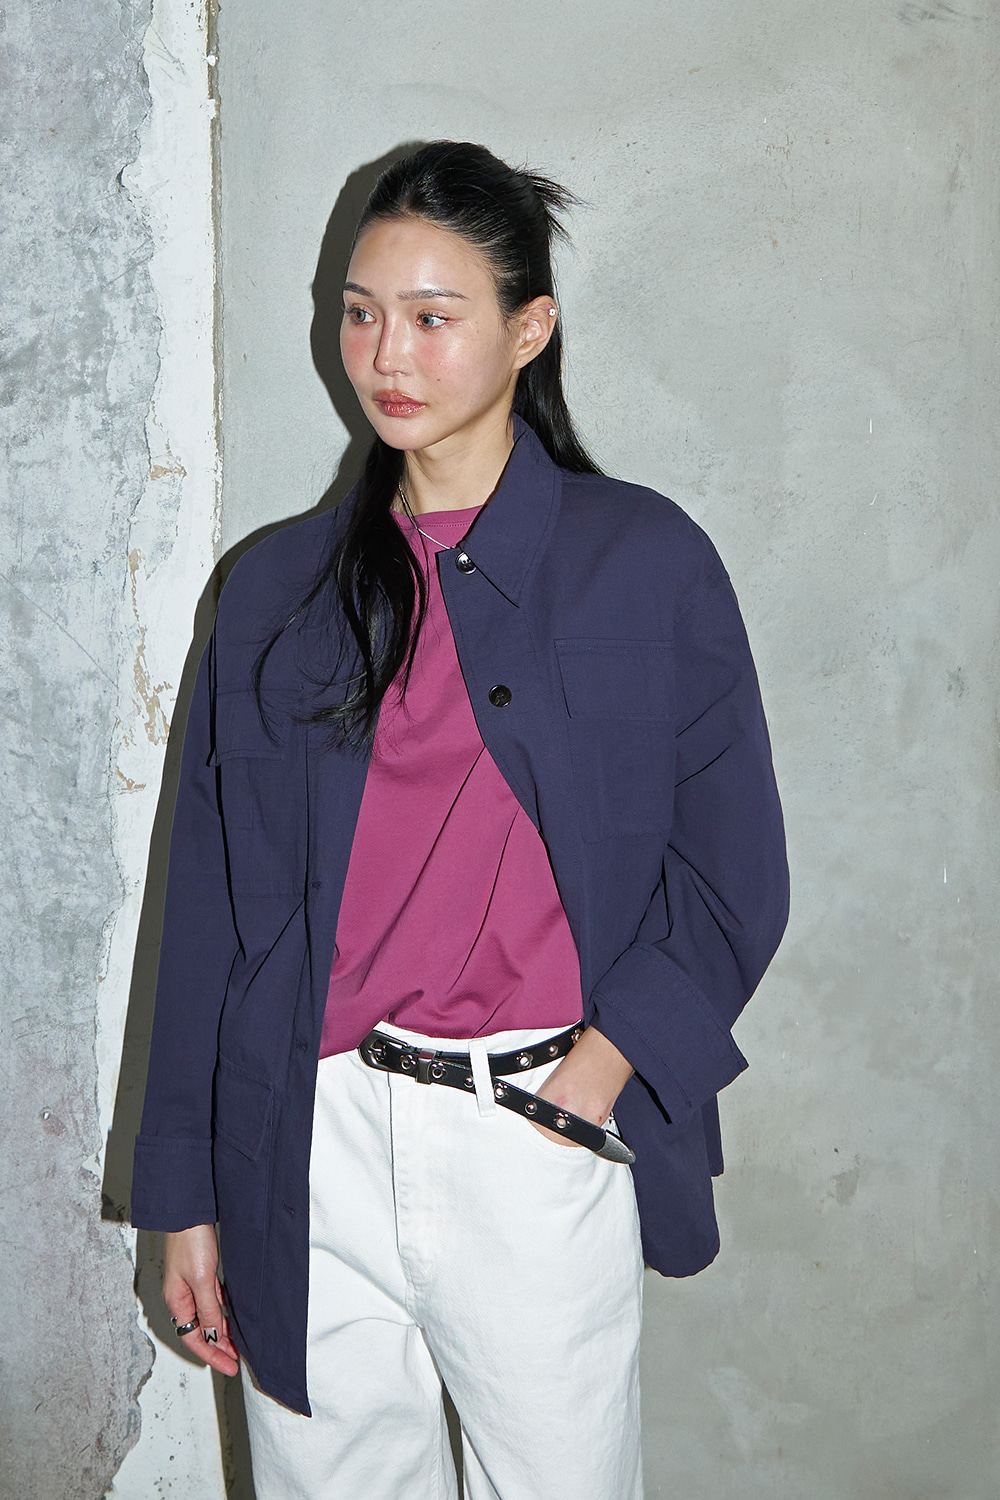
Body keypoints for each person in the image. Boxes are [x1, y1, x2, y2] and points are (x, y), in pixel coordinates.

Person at [131, 140, 788, 1499]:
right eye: (361, 312)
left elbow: (734, 871)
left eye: (433, 317)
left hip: (529, 1127)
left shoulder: (643, 562)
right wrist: (187, 1188)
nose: (387, 354)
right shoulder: (275, 591)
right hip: (308, 1134)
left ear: (528, 328)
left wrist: (599, 1074)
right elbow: (211, 911)